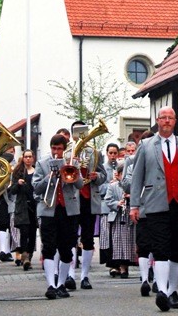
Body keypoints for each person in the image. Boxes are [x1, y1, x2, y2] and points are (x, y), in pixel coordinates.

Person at [130, 106, 178, 312]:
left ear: (175, 121)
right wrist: (134, 205)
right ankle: (163, 292)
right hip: (156, 203)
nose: (166, 121)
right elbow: (137, 177)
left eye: (170, 118)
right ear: (157, 120)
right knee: (161, 248)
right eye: (163, 118)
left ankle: (172, 290)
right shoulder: (146, 145)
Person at [33, 133, 83, 300]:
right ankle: (51, 285)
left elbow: (80, 184)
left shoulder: (72, 162)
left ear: (64, 148)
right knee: (48, 246)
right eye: (54, 148)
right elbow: (36, 188)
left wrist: (72, 171)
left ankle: (61, 284)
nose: (56, 152)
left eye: (59, 148)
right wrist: (49, 178)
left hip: (68, 210)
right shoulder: (42, 163)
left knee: (66, 248)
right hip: (48, 209)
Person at [66, 120, 107, 290]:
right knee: (70, 237)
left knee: (88, 238)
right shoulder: (67, 151)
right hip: (73, 198)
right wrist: (71, 162)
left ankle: (84, 276)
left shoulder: (94, 152)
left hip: (89, 197)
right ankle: (69, 274)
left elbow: (103, 175)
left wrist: (97, 175)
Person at [121, 129, 155, 296]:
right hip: (142, 205)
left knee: (158, 244)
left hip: (158, 204)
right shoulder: (132, 160)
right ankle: (144, 279)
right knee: (143, 244)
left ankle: (155, 277)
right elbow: (125, 183)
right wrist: (136, 180)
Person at [105, 163, 136, 277]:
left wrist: (131, 197)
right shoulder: (113, 186)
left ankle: (127, 266)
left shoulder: (133, 186)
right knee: (119, 242)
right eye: (121, 174)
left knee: (129, 242)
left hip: (130, 216)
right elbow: (108, 200)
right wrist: (117, 203)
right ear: (117, 175)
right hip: (118, 217)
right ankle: (122, 267)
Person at [8, 149, 37, 270]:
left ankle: (29, 256)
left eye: (30, 157)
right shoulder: (18, 172)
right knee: (24, 232)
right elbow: (12, 190)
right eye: (26, 157)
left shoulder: (37, 171)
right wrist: (18, 184)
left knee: (33, 233)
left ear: (33, 158)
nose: (28, 159)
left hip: (34, 206)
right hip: (22, 206)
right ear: (23, 158)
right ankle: (24, 255)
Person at [99, 142, 120, 273]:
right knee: (108, 236)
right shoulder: (102, 167)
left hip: (119, 206)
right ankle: (111, 264)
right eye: (110, 153)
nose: (112, 156)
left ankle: (119, 264)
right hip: (106, 207)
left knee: (118, 237)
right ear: (107, 154)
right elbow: (99, 187)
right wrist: (111, 185)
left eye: (115, 153)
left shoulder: (121, 166)